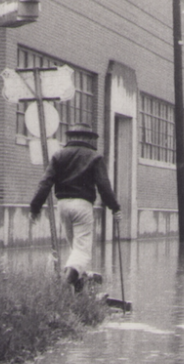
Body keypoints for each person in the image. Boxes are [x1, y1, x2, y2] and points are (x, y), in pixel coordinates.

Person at [30, 123, 121, 292]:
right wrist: (115, 208)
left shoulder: (59, 155)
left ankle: (78, 292)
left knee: (75, 249)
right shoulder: (94, 157)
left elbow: (45, 183)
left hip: (62, 205)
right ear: (88, 139)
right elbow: (104, 186)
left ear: (71, 137)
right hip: (82, 205)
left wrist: (35, 208)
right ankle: (65, 285)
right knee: (82, 252)